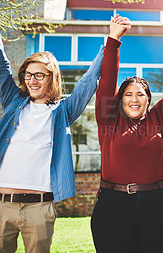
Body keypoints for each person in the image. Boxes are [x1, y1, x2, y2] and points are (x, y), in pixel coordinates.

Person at [90, 16, 163, 252]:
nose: (134, 99)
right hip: (112, 205)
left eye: (140, 94)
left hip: (155, 205)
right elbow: (106, 82)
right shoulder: (108, 119)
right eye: (128, 94)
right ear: (119, 99)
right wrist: (114, 39)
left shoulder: (160, 118)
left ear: (148, 99)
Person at [0, 25, 104, 252]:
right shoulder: (12, 102)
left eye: (39, 75)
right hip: (2, 204)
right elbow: (1, 66)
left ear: (52, 77)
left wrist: (112, 39)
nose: (32, 80)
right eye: (28, 75)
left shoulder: (63, 112)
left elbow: (88, 82)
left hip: (39, 207)